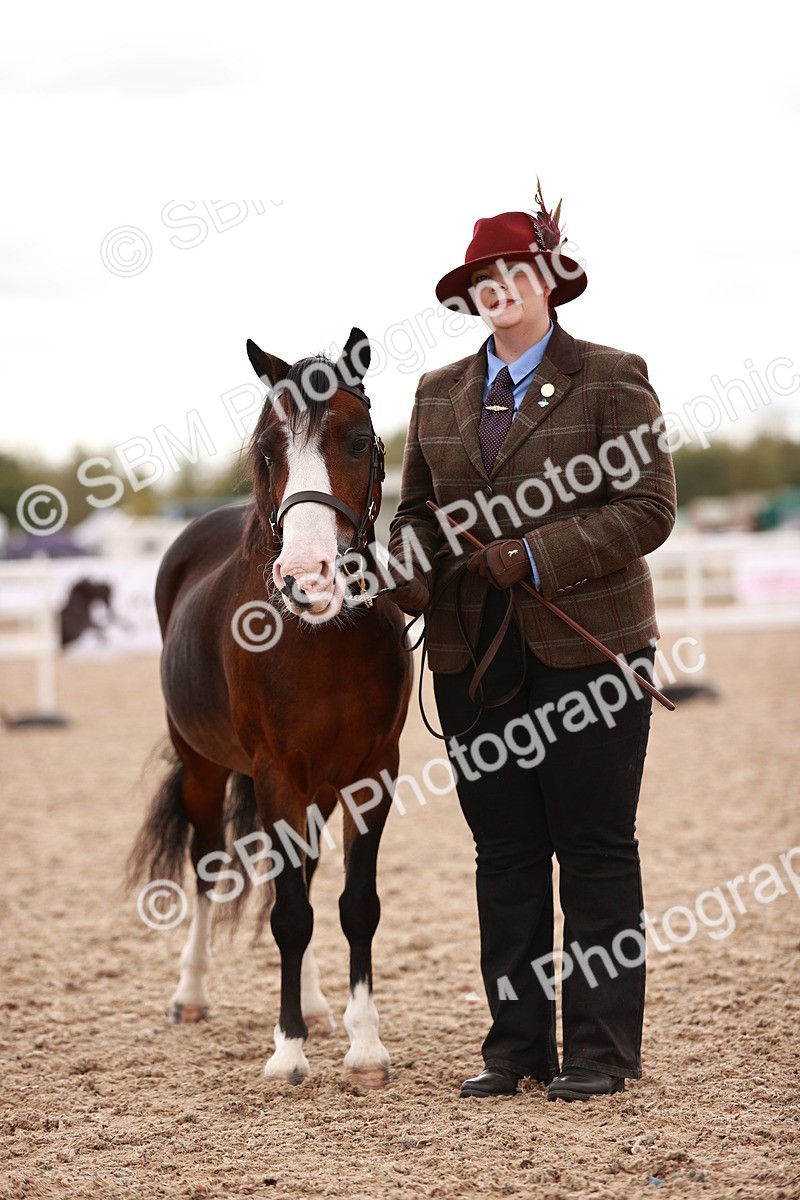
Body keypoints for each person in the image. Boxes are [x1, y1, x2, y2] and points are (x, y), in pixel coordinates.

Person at [385, 187, 677, 1102]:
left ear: (549, 277)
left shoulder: (613, 376)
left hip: (591, 654)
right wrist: (409, 567)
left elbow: (649, 508)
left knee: (593, 850)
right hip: (473, 658)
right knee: (504, 855)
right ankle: (515, 1049)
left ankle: (598, 1052)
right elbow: (414, 512)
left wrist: (536, 554)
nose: (497, 287)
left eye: (514, 271)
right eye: (482, 277)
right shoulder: (437, 394)